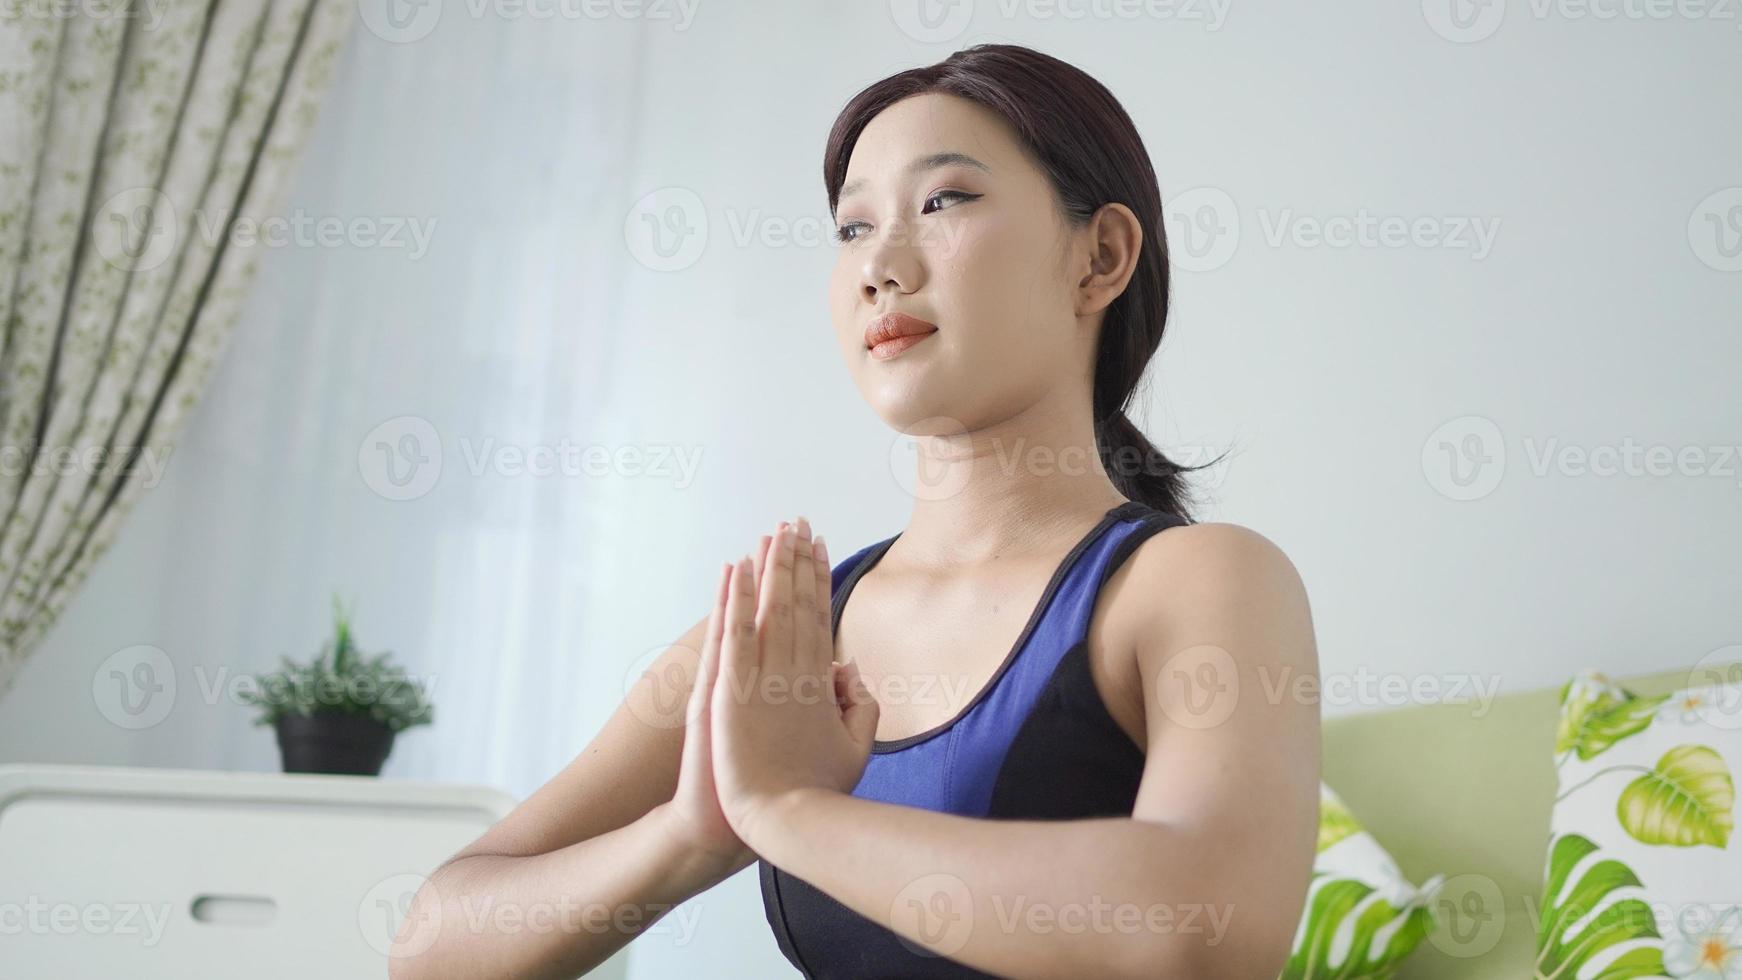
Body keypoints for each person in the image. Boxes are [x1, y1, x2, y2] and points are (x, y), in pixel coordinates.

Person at [390, 42, 1321, 980]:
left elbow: (1205, 930)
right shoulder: (791, 633)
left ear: (1101, 257)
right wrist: (690, 834)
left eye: (944, 200)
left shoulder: (1196, 582)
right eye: (850, 228)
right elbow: (432, 948)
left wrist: (793, 814)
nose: (880, 263)